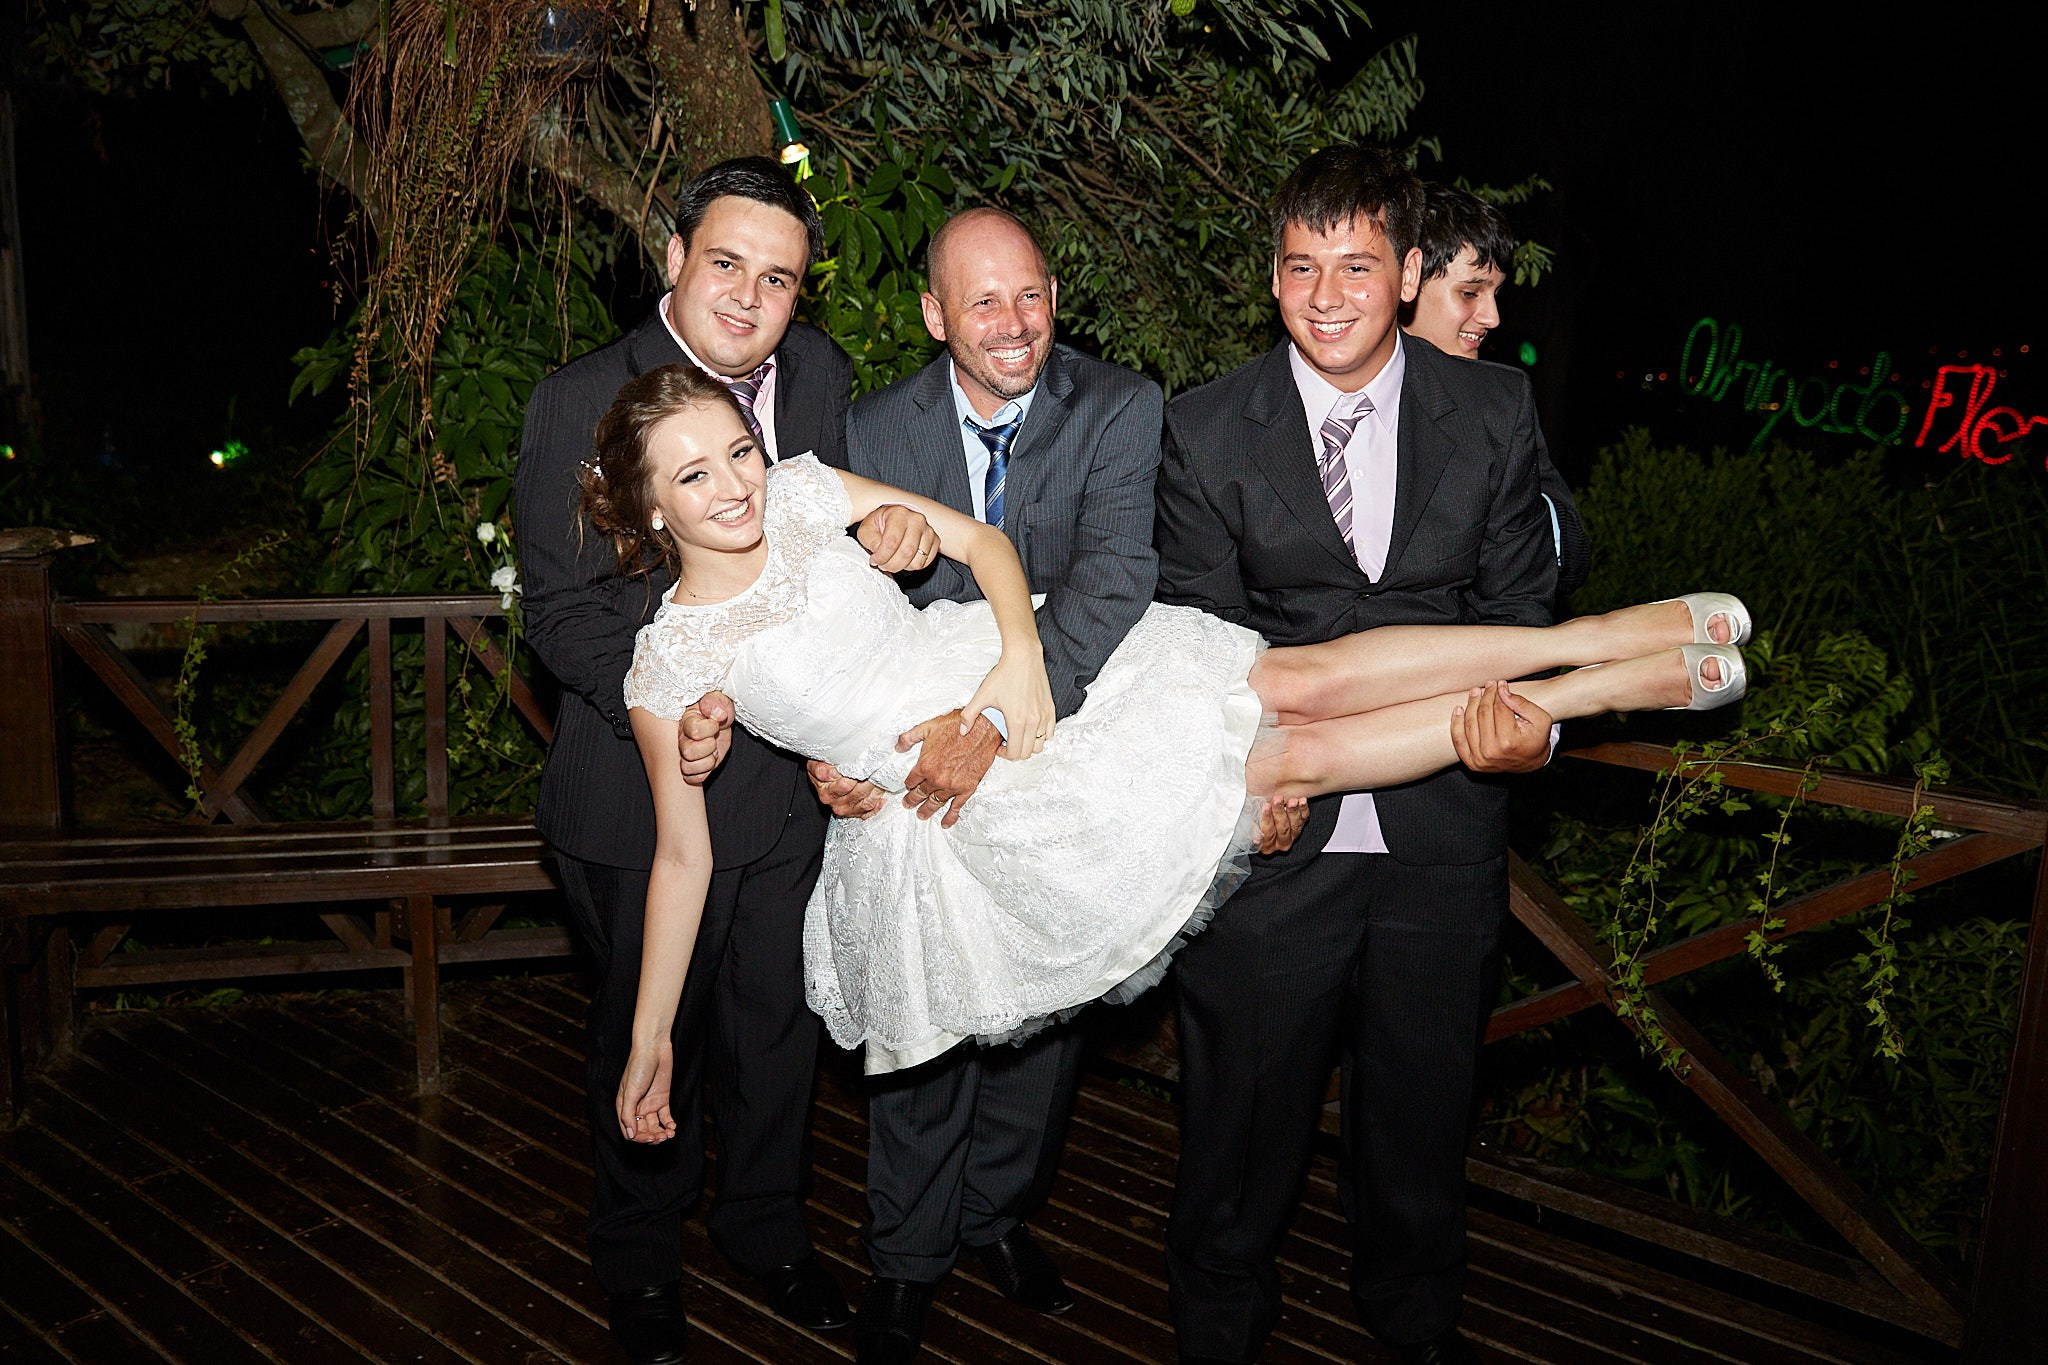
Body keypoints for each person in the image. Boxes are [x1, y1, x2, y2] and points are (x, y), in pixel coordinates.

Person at [592, 367, 1749, 1365]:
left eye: (736, 449)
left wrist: (1017, 668)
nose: (733, 483)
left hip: (1002, 677)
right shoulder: (670, 660)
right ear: (649, 507)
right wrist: (651, 1039)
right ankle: (1595, 695)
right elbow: (682, 857)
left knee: (1295, 678)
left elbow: (985, 544)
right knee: (1291, 758)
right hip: (960, 803)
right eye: (694, 473)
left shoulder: (802, 492)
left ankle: (1590, 637)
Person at [679, 205, 1168, 1365]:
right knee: (923, 1000)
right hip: (908, 757)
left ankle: (993, 1216)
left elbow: (1113, 581)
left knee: (1044, 1003)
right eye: (982, 301)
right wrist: (838, 754)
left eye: (1031, 294)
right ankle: (904, 1258)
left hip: (1056, 732)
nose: (1013, 322)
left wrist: (995, 721)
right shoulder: (873, 424)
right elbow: (829, 612)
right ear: (934, 315)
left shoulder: (1121, 407)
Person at [1151, 144, 1588, 1365]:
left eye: (1355, 266)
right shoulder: (1203, 427)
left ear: (1403, 274)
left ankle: (1413, 1321)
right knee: (1239, 1117)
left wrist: (1530, 733)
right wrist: (1241, 784)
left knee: (1420, 1113)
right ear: (1271, 280)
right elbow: (1195, 644)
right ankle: (1216, 1324)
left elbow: (1521, 618)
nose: (1326, 295)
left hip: (1442, 831)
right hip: (1272, 839)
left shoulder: (1491, 411)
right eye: (1301, 267)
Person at [515, 156, 932, 1365]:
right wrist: (683, 701)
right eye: (726, 264)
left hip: (792, 793)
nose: (750, 297)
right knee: (653, 1030)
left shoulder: (820, 377)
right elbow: (564, 614)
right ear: (674, 257)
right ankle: (640, 1261)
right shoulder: (579, 399)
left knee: (775, 1030)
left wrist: (886, 534)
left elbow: (816, 555)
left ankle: (764, 1229)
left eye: (779, 278)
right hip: (640, 793)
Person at [1404, 181, 1590, 597]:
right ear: (1406, 281)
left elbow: (1571, 555)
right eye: (1470, 292)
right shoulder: (1336, 393)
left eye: (1495, 293)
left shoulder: (1501, 403)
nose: (1492, 317)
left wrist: (1506, 504)